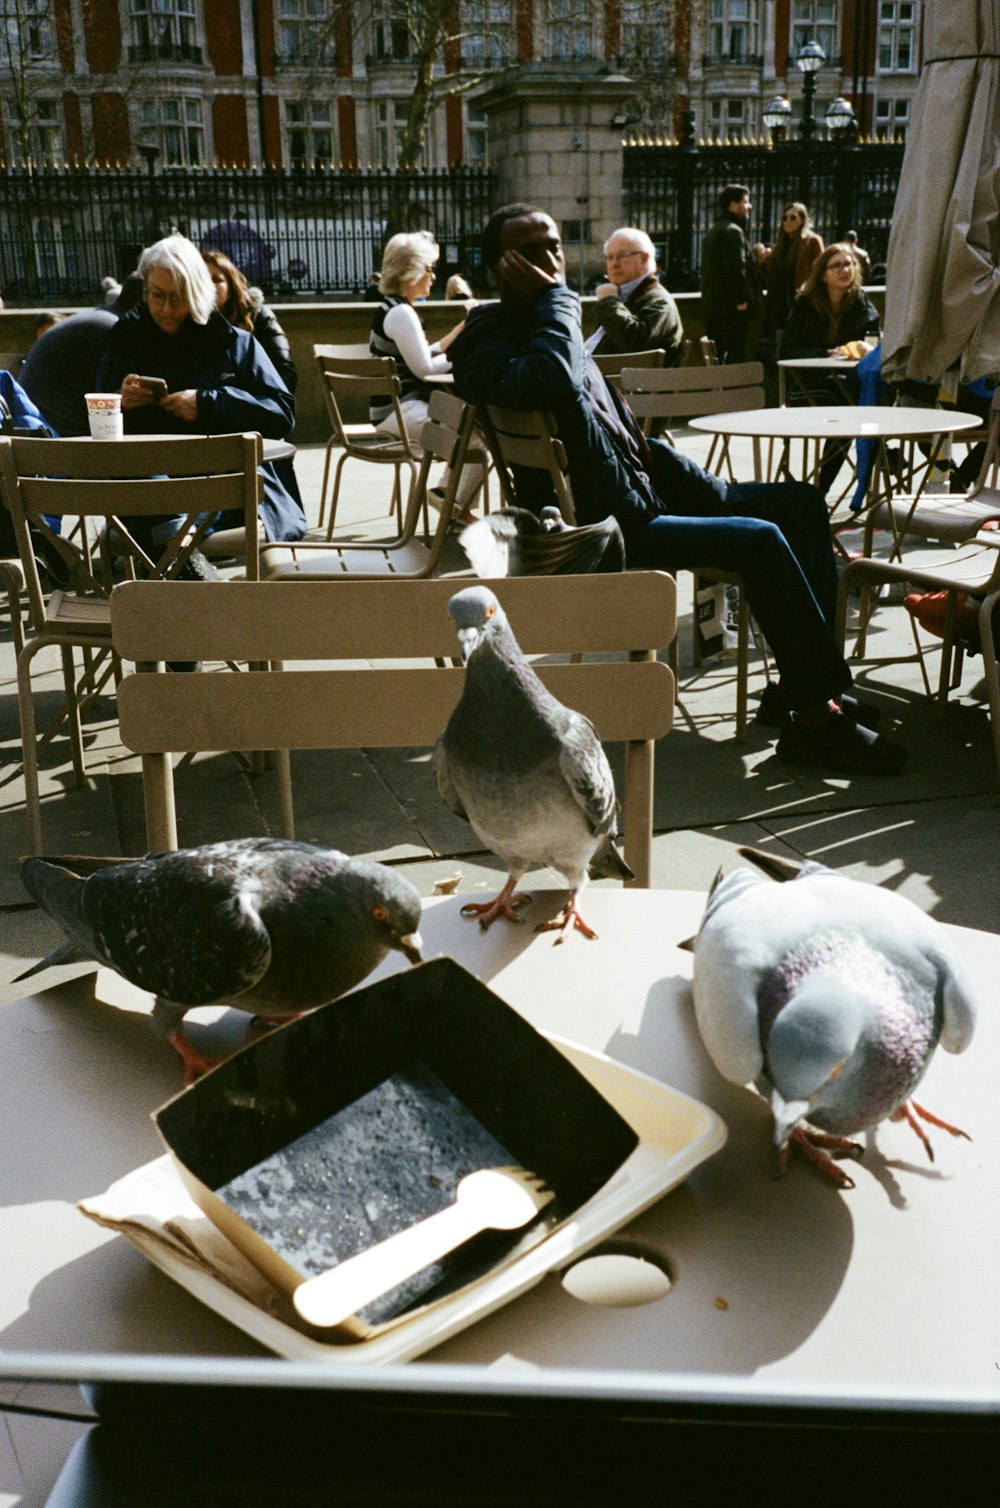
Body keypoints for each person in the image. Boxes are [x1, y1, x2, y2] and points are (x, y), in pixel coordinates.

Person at [448, 203, 905, 776]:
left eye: (556, 247)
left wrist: (712, 491)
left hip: (641, 496)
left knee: (799, 501)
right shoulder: (492, 341)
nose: (552, 262)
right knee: (759, 539)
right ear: (500, 265)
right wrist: (557, 303)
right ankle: (817, 715)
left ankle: (801, 686)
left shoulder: (548, 327)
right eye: (533, 252)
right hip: (605, 533)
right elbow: (552, 380)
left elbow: (619, 435)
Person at [97, 233, 305, 552]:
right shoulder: (125, 338)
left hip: (223, 487)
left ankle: (176, 543)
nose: (166, 308)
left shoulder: (235, 343)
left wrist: (208, 402)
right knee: (146, 484)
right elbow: (98, 424)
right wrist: (119, 400)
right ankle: (180, 546)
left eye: (177, 297)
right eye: (157, 295)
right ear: (144, 290)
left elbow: (280, 414)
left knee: (164, 515)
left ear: (197, 293)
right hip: (151, 483)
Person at [370, 229, 484, 515]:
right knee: (477, 440)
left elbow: (424, 354)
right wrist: (463, 355)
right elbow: (425, 369)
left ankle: (450, 499)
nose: (434, 275)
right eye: (430, 268)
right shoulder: (402, 314)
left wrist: (462, 328)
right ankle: (452, 503)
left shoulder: (392, 308)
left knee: (472, 433)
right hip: (400, 411)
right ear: (411, 271)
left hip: (393, 410)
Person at [780, 244, 881, 493]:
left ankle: (830, 487)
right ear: (823, 274)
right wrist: (825, 354)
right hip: (806, 386)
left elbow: (873, 339)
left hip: (847, 385)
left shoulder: (860, 301)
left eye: (848, 264)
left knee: (861, 403)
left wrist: (865, 348)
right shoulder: (805, 304)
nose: (844, 270)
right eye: (836, 266)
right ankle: (824, 489)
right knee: (848, 407)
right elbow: (786, 351)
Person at [202, 246, 297, 392]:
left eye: (217, 280)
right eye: (203, 280)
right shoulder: (189, 320)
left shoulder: (259, 316)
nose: (210, 286)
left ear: (231, 285)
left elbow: (286, 374)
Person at [587, 226, 684, 365]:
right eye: (609, 257)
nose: (614, 264)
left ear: (643, 258)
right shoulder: (626, 295)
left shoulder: (660, 302)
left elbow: (637, 346)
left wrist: (609, 302)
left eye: (621, 256)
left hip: (626, 384)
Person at [700, 184, 762, 364]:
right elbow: (736, 269)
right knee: (736, 361)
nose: (749, 206)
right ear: (733, 205)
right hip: (731, 313)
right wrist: (741, 300)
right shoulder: (733, 232)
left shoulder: (714, 230)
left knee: (720, 361)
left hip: (715, 311)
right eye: (746, 202)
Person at [761, 202, 824, 346]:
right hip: (779, 301)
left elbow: (820, 269)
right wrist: (763, 261)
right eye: (785, 218)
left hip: (799, 298)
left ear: (803, 220)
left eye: (793, 217)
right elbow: (771, 276)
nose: (788, 221)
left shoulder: (811, 241)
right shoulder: (781, 244)